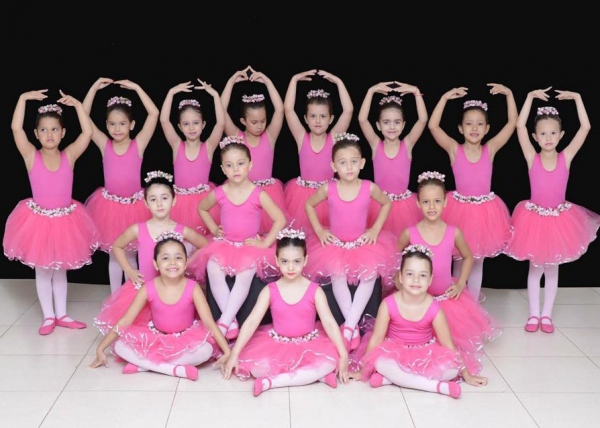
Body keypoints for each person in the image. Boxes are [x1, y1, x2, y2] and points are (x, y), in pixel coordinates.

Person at [3, 89, 99, 335]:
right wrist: (22, 99)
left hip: (65, 221)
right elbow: (16, 129)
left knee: (60, 270)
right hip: (38, 222)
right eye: (43, 130)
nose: (49, 134)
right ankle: (48, 316)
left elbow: (87, 133)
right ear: (36, 134)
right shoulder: (31, 156)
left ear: (63, 132)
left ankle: (62, 314)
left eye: (54, 129)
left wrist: (78, 105)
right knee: (44, 270)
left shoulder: (69, 155)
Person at [504, 87, 599, 334]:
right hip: (534, 220)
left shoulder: (566, 157)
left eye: (553, 133)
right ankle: (533, 314)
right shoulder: (531, 157)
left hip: (559, 220)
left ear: (561, 135)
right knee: (535, 270)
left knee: (553, 269)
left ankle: (546, 315)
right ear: (535, 136)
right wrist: (529, 98)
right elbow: (520, 126)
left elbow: (585, 128)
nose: (548, 138)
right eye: (543, 133)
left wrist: (578, 98)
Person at [221, 226, 349, 396]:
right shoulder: (270, 290)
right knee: (257, 369)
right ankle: (316, 377)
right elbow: (251, 322)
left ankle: (271, 382)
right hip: (278, 344)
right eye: (284, 261)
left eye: (296, 261)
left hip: (309, 344)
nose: (290, 267)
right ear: (277, 260)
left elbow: (330, 323)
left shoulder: (315, 290)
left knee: (330, 362)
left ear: (305, 260)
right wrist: (234, 354)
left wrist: (344, 355)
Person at [397, 171, 500, 376]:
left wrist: (461, 283)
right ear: (418, 203)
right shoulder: (410, 233)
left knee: (448, 343)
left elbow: (468, 257)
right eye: (426, 202)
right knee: (413, 340)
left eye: (437, 201)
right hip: (418, 299)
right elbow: (394, 259)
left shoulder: (453, 232)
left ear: (445, 202)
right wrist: (400, 284)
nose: (431, 207)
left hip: (445, 300)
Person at [304, 133, 398, 352]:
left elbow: (386, 203)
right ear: (333, 166)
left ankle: (348, 327)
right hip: (336, 245)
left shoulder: (368, 187)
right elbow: (309, 204)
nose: (349, 167)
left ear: (362, 163)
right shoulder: (329, 188)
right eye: (343, 162)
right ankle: (351, 326)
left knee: (370, 275)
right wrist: (319, 230)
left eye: (354, 162)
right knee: (337, 276)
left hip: (361, 244)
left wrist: (375, 229)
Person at [187, 136, 286, 341]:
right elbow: (202, 208)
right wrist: (213, 227)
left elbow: (280, 219)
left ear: (250, 165)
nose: (236, 169)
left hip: (249, 246)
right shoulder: (220, 192)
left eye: (240, 164)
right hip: (225, 244)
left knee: (244, 274)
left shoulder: (258, 194)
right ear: (223, 169)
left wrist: (265, 243)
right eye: (229, 165)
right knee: (213, 269)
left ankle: (224, 322)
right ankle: (230, 321)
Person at [89, 235, 230, 380]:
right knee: (120, 346)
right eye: (165, 258)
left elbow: (208, 322)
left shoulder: (193, 288)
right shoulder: (148, 288)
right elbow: (125, 321)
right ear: (156, 264)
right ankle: (174, 370)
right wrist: (101, 347)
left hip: (184, 338)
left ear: (186, 262)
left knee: (206, 350)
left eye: (178, 257)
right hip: (155, 337)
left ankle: (144, 366)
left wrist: (227, 351)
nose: (172, 262)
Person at [428, 84, 517, 301]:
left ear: (487, 128)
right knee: (458, 259)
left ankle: (473, 302)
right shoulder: (454, 149)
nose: (474, 128)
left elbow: (512, 123)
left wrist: (509, 94)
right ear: (460, 128)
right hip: (459, 212)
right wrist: (444, 97)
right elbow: (433, 126)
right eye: (469, 123)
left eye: (479, 124)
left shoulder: (490, 149)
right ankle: (456, 301)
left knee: (477, 261)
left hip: (485, 214)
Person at [356, 245, 481, 398]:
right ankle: (437, 387)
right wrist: (363, 370)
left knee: (452, 370)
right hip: (395, 353)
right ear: (400, 277)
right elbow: (376, 338)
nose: (416, 280)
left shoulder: (434, 308)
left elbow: (448, 345)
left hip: (425, 352)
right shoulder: (388, 304)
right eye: (410, 274)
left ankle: (391, 379)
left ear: (430, 280)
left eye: (422, 275)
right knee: (380, 362)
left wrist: (465, 373)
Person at [93, 171, 208, 334]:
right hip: (145, 288)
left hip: (172, 289)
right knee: (139, 331)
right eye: (153, 199)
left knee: (173, 328)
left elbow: (204, 245)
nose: (159, 203)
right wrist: (129, 270)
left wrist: (187, 262)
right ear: (146, 203)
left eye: (164, 198)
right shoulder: (138, 229)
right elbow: (117, 246)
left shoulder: (182, 230)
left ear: (174, 200)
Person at [83, 77, 159, 293]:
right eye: (112, 123)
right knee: (114, 257)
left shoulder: (138, 144)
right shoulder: (104, 144)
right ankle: (115, 297)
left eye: (122, 123)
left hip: (135, 208)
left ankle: (132, 296)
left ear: (132, 125)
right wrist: (93, 88)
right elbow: (83, 116)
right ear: (106, 124)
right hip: (110, 209)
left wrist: (137, 88)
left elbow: (154, 114)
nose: (117, 128)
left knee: (132, 257)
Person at [283, 69, 353, 234]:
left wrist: (339, 82)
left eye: (323, 116)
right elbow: (288, 109)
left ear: (331, 119)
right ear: (306, 119)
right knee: (304, 236)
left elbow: (348, 110)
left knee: (328, 236)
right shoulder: (301, 137)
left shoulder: (334, 138)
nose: (318, 121)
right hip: (303, 198)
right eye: (313, 116)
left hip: (328, 195)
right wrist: (294, 80)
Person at [220, 66, 289, 232]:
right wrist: (230, 82)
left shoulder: (270, 136)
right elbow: (220, 111)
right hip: (242, 193)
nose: (260, 126)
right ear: (243, 121)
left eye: (263, 121)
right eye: (254, 122)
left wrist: (267, 82)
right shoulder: (237, 136)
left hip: (268, 194)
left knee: (268, 236)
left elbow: (280, 110)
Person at [159, 78, 223, 250]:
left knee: (202, 247)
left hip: (204, 204)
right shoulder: (176, 145)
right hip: (180, 205)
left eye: (196, 123)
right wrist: (171, 93)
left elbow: (221, 124)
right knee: (182, 247)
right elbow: (164, 121)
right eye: (186, 124)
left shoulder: (208, 147)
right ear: (180, 127)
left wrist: (215, 96)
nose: (191, 128)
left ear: (203, 125)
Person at [357, 81, 427, 236]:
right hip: (379, 205)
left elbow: (422, 120)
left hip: (404, 208)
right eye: (386, 122)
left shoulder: (407, 144)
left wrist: (416, 91)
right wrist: (371, 91)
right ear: (378, 125)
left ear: (403, 125)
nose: (392, 127)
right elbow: (362, 120)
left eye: (397, 122)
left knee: (402, 244)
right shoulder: (376, 145)